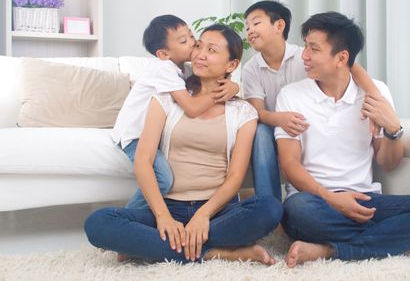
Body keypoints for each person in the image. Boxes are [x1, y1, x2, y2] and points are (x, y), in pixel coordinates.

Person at [86, 24, 283, 264]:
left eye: (211, 50)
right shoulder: (166, 99)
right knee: (98, 223)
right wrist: (163, 218)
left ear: (231, 65)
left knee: (270, 208)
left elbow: (235, 178)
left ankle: (160, 247)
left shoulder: (244, 113)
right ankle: (213, 252)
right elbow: (144, 161)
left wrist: (203, 215)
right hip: (169, 206)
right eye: (199, 46)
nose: (200, 54)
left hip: (216, 211)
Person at [274, 12, 410, 267]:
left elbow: (389, 163)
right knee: (298, 211)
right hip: (314, 200)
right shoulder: (291, 96)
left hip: (365, 200)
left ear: (342, 58)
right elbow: (290, 166)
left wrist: (394, 129)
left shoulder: (376, 93)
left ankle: (329, 250)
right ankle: (397, 237)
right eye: (305, 46)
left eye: (313, 49)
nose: (304, 55)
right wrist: (332, 198)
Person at [242, 1, 380, 201]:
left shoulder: (304, 55)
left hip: (305, 128)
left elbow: (350, 67)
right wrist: (279, 119)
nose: (250, 31)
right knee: (261, 133)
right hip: (275, 127)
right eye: (247, 27)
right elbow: (257, 113)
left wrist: (374, 97)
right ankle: (269, 206)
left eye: (256, 23)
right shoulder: (251, 69)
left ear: (279, 26)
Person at [112, 15, 239, 209]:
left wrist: (234, 86)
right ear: (164, 54)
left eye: (191, 35)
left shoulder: (183, 69)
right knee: (163, 179)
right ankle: (130, 214)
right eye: (184, 41)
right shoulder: (163, 69)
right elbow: (192, 107)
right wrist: (221, 92)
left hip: (150, 131)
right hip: (133, 134)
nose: (193, 43)